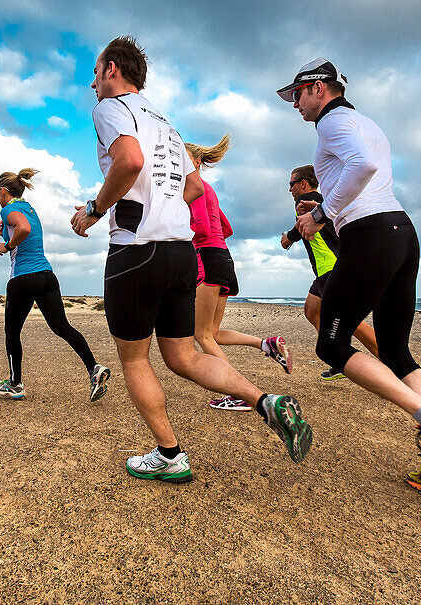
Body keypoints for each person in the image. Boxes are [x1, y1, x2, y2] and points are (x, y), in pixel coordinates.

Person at [71, 36, 312, 483]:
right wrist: (167, 208)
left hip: (135, 252)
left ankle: (169, 455)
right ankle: (265, 402)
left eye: (95, 73)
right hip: (182, 253)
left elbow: (128, 160)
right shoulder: (166, 122)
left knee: (135, 360)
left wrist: (94, 210)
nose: (91, 85)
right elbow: (196, 187)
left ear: (111, 70)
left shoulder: (109, 109)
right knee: (182, 355)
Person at [278, 58, 421, 504]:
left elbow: (364, 165)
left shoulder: (333, 122)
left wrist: (319, 213)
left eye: (296, 93)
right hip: (401, 233)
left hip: (370, 233)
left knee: (331, 345)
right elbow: (371, 165)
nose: (294, 104)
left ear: (318, 89)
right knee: (393, 349)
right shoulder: (367, 122)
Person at [184, 135, 292, 412]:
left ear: (196, 162)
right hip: (221, 257)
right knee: (213, 333)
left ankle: (238, 392)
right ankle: (265, 344)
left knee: (202, 335)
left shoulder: (194, 187)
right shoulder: (209, 189)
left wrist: (178, 230)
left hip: (207, 259)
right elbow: (226, 229)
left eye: (182, 159)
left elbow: (203, 229)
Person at [0, 169, 110, 402]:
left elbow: (22, 229)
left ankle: (14, 384)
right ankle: (93, 368)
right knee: (61, 327)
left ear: (3, 191)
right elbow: (24, 230)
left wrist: (6, 245)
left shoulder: (8, 209)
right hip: (46, 276)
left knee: (12, 333)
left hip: (23, 278)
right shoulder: (29, 209)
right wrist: (5, 234)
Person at [280, 164, 379, 381]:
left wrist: (288, 238)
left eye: (292, 184)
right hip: (327, 268)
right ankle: (338, 359)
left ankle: (392, 363)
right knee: (312, 310)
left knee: (350, 322)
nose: (290, 190)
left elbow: (301, 225)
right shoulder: (324, 200)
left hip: (330, 267)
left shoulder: (304, 201)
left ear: (303, 183)